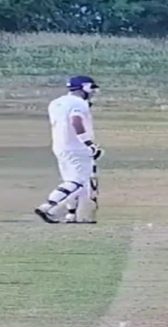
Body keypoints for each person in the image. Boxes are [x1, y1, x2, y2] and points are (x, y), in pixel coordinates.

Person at [34, 75, 103, 224]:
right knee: (79, 182)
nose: (93, 92)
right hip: (77, 147)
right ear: (84, 87)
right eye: (91, 88)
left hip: (60, 146)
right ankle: (48, 207)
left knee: (71, 181)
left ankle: (72, 215)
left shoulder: (55, 103)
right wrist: (89, 144)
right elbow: (75, 121)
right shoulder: (78, 103)